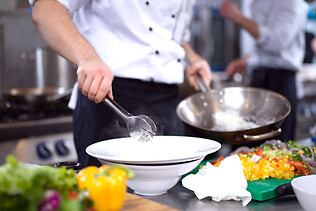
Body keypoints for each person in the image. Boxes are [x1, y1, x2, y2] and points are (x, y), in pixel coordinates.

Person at [29, 0, 212, 168]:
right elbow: (46, 9)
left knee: (169, 197)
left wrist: (192, 57)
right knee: (108, 193)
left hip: (168, 101)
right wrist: (87, 58)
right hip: (107, 94)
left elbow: (170, 33)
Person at [220, 0, 307, 142]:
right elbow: (265, 51)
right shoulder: (258, 3)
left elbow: (276, 43)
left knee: (277, 146)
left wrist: (238, 16)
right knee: (250, 141)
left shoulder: (292, 3)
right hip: (259, 78)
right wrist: (247, 61)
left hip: (281, 82)